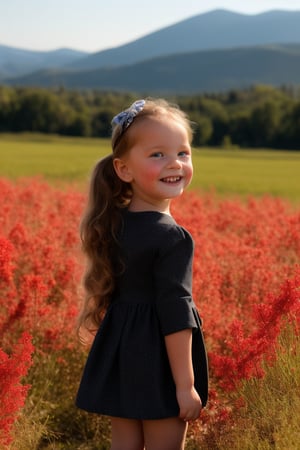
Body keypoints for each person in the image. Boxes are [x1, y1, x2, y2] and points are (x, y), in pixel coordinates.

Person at [76, 98, 208, 450]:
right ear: (123, 169)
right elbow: (175, 312)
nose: (175, 163)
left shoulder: (113, 225)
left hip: (122, 356)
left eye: (183, 152)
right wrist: (185, 385)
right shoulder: (173, 238)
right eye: (157, 155)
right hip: (161, 366)